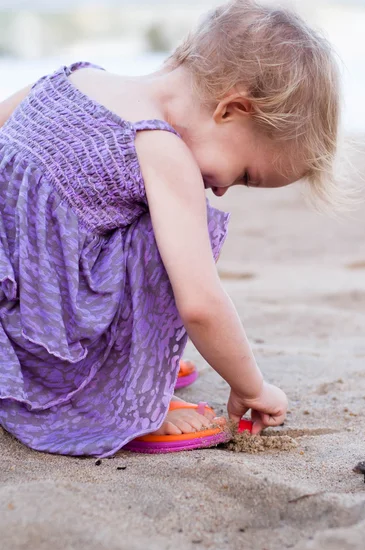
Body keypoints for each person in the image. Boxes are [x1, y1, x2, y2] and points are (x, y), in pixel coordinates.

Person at [0, 0, 343, 457]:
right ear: (232, 109)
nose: (223, 191)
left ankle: (120, 361)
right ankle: (134, 398)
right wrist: (252, 386)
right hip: (49, 347)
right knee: (179, 230)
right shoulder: (159, 146)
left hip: (15, 316)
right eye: (244, 175)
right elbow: (201, 303)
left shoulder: (70, 78)